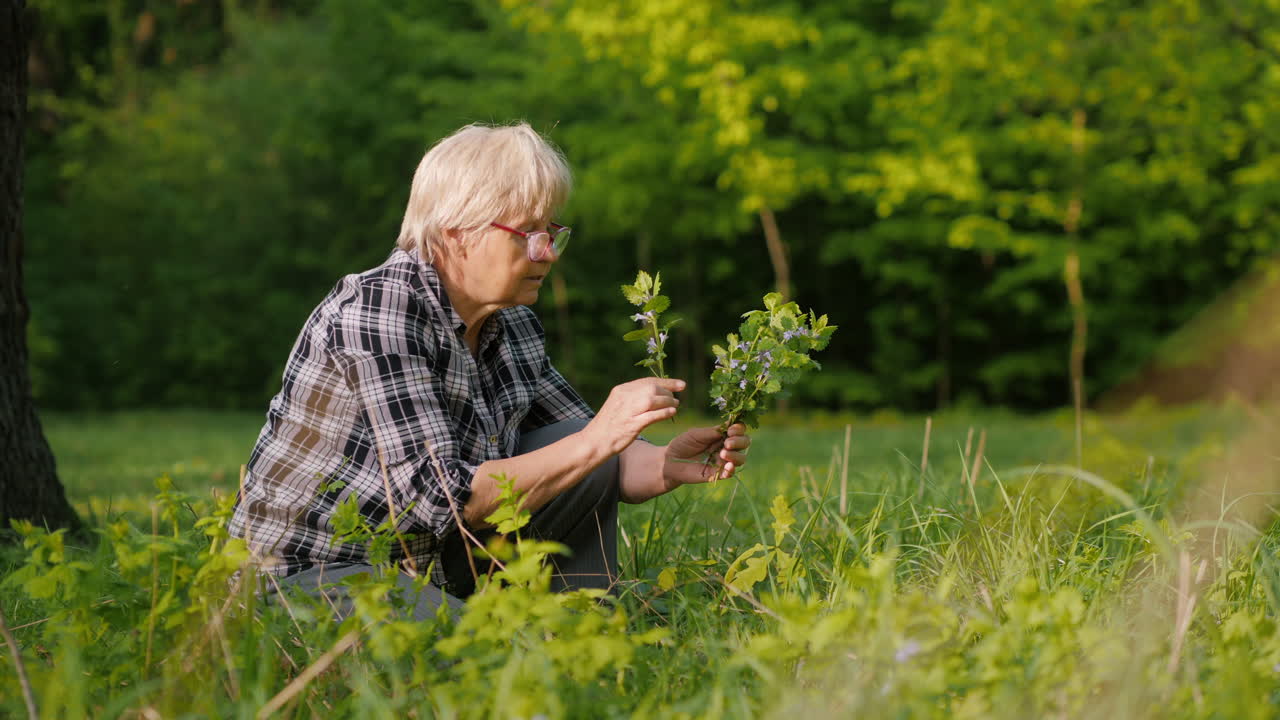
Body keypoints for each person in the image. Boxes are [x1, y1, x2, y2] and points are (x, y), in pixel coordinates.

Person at [228, 122, 751, 618]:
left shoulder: (512, 323)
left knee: (576, 444)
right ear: (457, 233)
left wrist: (664, 463)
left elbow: (590, 454)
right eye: (526, 233)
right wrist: (601, 439)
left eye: (552, 232)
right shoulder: (379, 308)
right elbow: (441, 501)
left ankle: (579, 634)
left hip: (426, 562)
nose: (547, 253)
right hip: (307, 573)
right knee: (491, 662)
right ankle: (530, 652)